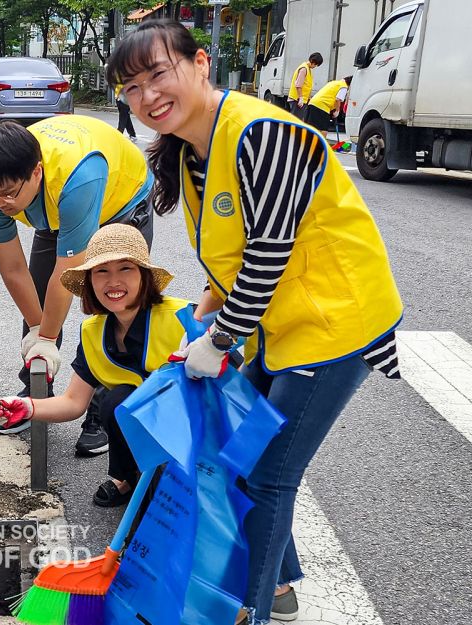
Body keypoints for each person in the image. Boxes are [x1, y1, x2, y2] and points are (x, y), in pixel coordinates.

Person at [106, 20, 402, 624]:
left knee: (270, 476)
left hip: (334, 321)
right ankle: (281, 588)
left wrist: (218, 340)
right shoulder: (190, 153)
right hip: (279, 324)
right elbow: (229, 257)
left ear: (200, 64)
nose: (147, 96)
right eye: (130, 87)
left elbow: (268, 252)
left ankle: (253, 611)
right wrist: (202, 322)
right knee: (241, 460)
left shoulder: (260, 133)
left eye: (157, 74)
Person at [0, 116, 154, 457]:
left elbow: (68, 276)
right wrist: (39, 331)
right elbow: (13, 268)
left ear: (35, 172)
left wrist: (49, 339)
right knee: (39, 302)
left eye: (8, 194)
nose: (1, 203)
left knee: (113, 302)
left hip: (119, 200)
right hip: (54, 205)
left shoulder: (77, 177)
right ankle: (36, 392)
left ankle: (100, 411)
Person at [0, 224, 186, 506]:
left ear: (144, 277)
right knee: (115, 402)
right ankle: (131, 478)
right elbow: (73, 402)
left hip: (192, 427)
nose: (113, 281)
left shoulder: (181, 317)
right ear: (90, 282)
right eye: (102, 271)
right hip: (149, 425)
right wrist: (29, 407)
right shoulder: (94, 331)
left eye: (126, 269)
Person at [288, 52, 323, 119]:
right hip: (297, 99)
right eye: (315, 65)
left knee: (298, 120)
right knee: (296, 121)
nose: (315, 67)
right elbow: (298, 85)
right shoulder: (304, 69)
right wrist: (300, 98)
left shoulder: (307, 69)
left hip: (300, 100)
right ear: (312, 61)